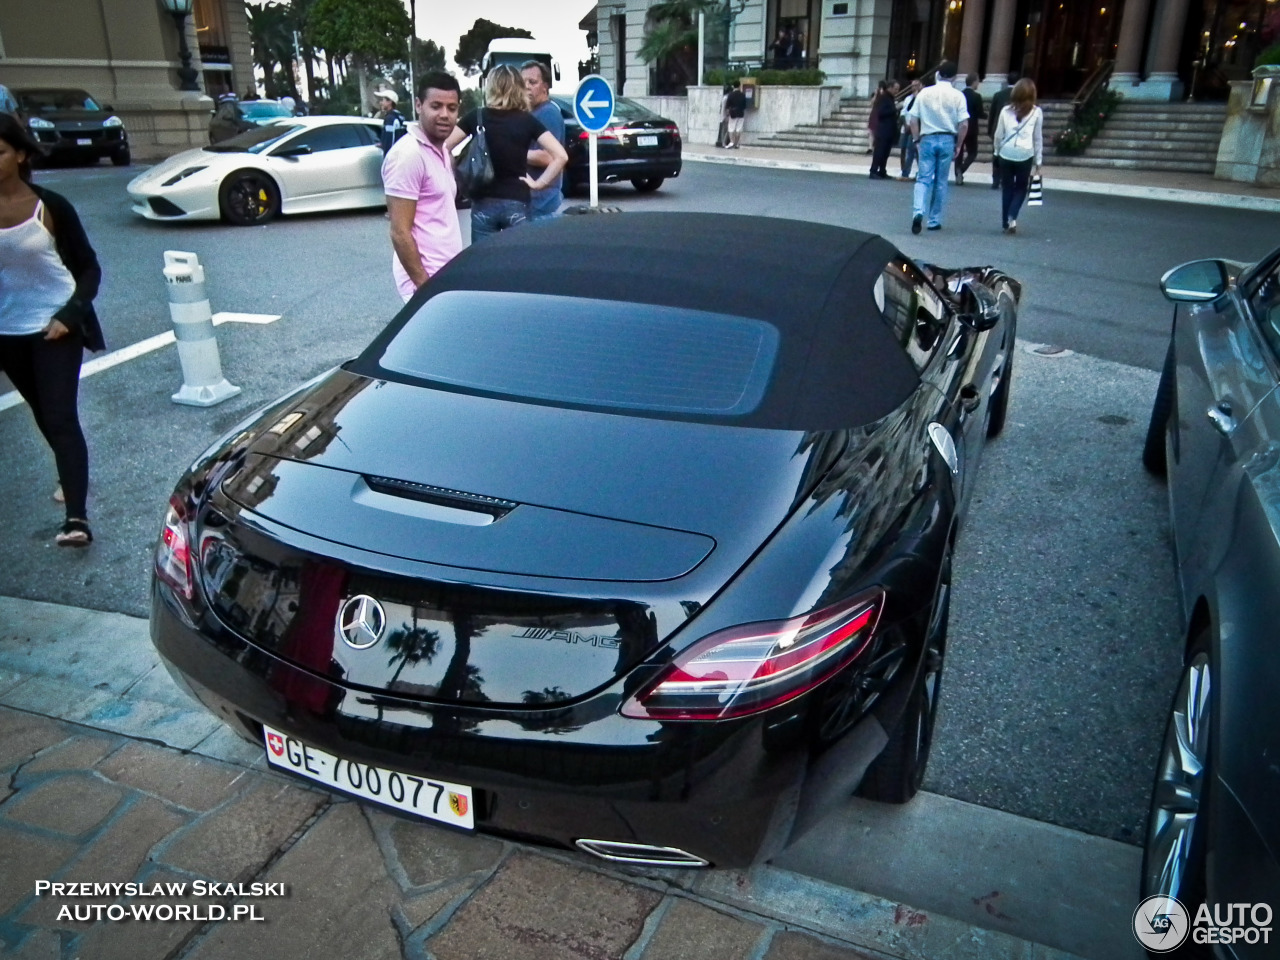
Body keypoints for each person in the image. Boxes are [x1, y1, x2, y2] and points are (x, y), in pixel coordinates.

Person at [0, 114, 103, 546]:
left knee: (60, 416)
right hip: (7, 331)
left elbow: (88, 267)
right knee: (43, 414)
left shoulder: (50, 206)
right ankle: (70, 472)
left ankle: (76, 520)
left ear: (20, 154)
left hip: (55, 327)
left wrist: (70, 314)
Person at [445, 65, 567, 240]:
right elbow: (561, 156)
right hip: (517, 201)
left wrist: (453, 178)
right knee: (517, 261)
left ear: (491, 87)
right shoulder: (527, 120)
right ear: (517, 88)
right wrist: (539, 183)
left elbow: (443, 147)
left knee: (482, 261)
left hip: (483, 201)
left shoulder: (476, 116)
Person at [382, 72, 464, 302]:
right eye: (436, 106)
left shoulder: (441, 151)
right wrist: (425, 288)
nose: (444, 115)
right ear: (419, 105)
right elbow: (399, 232)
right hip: (425, 283)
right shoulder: (409, 155)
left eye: (452, 108)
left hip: (445, 275)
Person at [905, 62, 968, 234]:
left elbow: (912, 120)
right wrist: (959, 144)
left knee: (923, 178)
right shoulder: (958, 96)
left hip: (927, 138)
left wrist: (917, 140)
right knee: (941, 181)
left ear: (938, 74)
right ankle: (934, 220)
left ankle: (918, 211)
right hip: (948, 138)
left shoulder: (924, 93)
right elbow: (963, 124)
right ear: (954, 77)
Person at [992, 77, 1043, 234]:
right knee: (1021, 188)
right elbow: (1037, 138)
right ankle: (1012, 216)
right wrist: (1038, 161)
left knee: (1007, 188)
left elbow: (998, 135)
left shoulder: (1005, 111)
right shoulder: (1036, 112)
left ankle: (1004, 222)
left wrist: (996, 152)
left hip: (1006, 153)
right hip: (1025, 154)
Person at [521, 60, 565, 221]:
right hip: (535, 202)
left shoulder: (548, 113)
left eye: (532, 82)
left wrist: (513, 152)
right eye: (523, 82)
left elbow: (548, 157)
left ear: (545, 86)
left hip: (543, 203)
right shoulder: (532, 113)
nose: (526, 86)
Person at [988, 72, 1017, 189]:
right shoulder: (1019, 97)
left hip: (999, 129)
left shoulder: (998, 95)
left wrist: (990, 130)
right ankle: (1008, 178)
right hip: (1013, 130)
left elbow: (992, 114)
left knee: (996, 154)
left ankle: (996, 179)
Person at [955, 73, 984, 185]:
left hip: (960, 126)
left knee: (959, 151)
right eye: (977, 81)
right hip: (972, 128)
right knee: (972, 152)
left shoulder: (959, 95)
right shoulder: (977, 97)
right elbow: (979, 113)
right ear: (974, 82)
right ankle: (961, 169)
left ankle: (958, 170)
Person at [868, 80, 900, 180]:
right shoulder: (883, 98)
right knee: (879, 151)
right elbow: (881, 113)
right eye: (895, 89)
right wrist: (895, 109)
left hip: (889, 128)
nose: (897, 91)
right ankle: (873, 171)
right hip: (883, 129)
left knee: (885, 152)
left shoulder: (889, 98)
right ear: (890, 88)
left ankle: (882, 170)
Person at [897, 79, 921, 180]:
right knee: (905, 150)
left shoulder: (922, 98)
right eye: (912, 86)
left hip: (916, 129)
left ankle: (914, 172)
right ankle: (904, 171)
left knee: (915, 152)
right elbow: (903, 113)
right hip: (906, 127)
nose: (913, 88)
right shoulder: (907, 99)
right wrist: (905, 124)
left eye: (916, 85)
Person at [374, 89, 406, 155]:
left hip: (392, 157)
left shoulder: (390, 119)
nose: (381, 103)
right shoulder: (398, 117)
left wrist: (387, 158)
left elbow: (389, 141)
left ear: (389, 102)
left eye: (383, 100)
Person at [725, 80, 747, 149]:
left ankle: (731, 142)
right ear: (739, 86)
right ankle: (737, 144)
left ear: (733, 86)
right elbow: (744, 106)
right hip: (741, 114)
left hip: (733, 114)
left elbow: (727, 106)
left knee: (731, 128)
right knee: (738, 129)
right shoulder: (742, 94)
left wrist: (727, 113)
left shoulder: (730, 95)